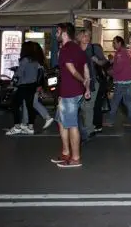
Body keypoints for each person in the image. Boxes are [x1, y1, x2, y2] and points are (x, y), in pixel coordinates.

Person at [51, 23, 90, 168]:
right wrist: (85, 87)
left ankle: (75, 158)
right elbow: (86, 69)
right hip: (73, 92)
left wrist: (83, 81)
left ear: (64, 33)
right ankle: (66, 152)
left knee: (72, 124)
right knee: (61, 121)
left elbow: (73, 71)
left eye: (58, 31)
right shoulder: (78, 49)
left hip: (70, 92)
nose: (56, 34)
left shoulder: (66, 50)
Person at [6, 42, 41, 136]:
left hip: (23, 86)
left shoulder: (24, 60)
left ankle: (17, 127)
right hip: (32, 86)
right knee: (30, 106)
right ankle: (30, 127)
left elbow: (19, 73)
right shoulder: (35, 60)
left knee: (15, 105)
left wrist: (13, 80)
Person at [105, 36, 131, 127]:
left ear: (119, 43)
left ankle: (110, 121)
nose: (113, 44)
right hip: (129, 80)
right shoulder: (125, 52)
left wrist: (110, 72)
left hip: (122, 81)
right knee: (127, 101)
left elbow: (118, 68)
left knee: (115, 101)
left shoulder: (119, 53)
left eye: (114, 42)